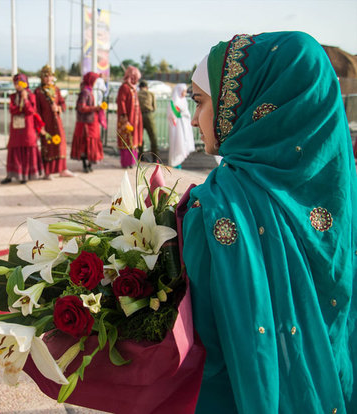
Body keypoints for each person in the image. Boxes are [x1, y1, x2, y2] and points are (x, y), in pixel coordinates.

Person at [183, 31, 356, 413]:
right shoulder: (340, 200)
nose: (195, 120)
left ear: (242, 104)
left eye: (200, 103)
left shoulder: (220, 204)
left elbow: (196, 339)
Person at [1, 73, 44, 184]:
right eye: (16, 83)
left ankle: (25, 175)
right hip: (16, 127)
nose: (18, 86)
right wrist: (21, 108)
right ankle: (11, 174)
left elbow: (30, 110)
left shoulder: (31, 96)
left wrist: (25, 100)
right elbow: (12, 109)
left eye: (20, 83)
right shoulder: (13, 97)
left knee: (28, 147)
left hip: (27, 127)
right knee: (14, 148)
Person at [34, 65, 75, 180]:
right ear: (42, 78)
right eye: (45, 76)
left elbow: (63, 104)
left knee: (61, 144)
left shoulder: (56, 90)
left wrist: (58, 108)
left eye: (50, 76)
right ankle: (48, 172)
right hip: (46, 123)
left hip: (57, 122)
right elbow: (36, 110)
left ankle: (62, 169)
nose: (48, 79)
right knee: (48, 145)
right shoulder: (38, 92)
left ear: (53, 77)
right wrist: (40, 126)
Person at [71, 72, 104, 173]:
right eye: (94, 80)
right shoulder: (85, 92)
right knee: (86, 144)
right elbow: (81, 107)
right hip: (86, 123)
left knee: (89, 143)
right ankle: (86, 165)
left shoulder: (88, 90)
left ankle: (88, 165)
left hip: (90, 122)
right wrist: (96, 108)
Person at [116, 66, 143, 168]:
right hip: (127, 119)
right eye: (135, 77)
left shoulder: (133, 88)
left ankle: (132, 161)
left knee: (134, 139)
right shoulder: (124, 87)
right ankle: (126, 162)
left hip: (135, 119)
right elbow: (121, 102)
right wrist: (124, 118)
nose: (136, 80)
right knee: (126, 139)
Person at [167, 83, 195, 168]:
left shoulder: (184, 100)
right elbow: (172, 114)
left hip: (184, 126)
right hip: (177, 127)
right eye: (184, 91)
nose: (185, 93)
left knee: (183, 143)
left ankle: (179, 162)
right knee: (177, 143)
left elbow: (186, 113)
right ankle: (175, 162)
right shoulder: (173, 101)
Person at [138, 80, 158, 162]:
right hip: (149, 115)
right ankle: (155, 157)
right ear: (147, 87)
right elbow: (154, 107)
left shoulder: (137, 94)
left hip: (139, 116)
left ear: (139, 87)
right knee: (153, 137)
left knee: (140, 137)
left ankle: (140, 156)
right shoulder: (151, 94)